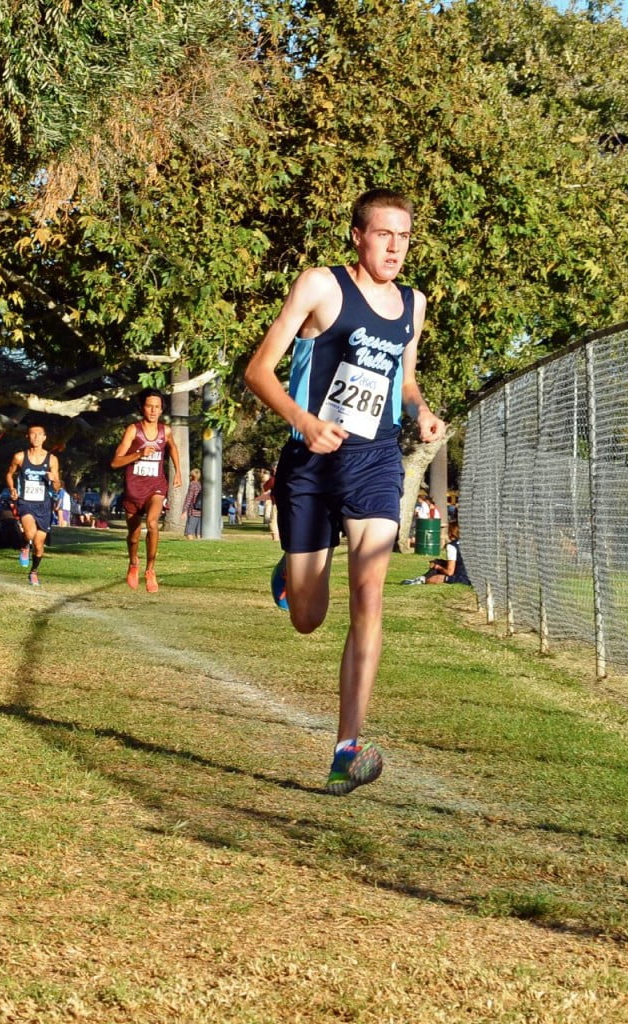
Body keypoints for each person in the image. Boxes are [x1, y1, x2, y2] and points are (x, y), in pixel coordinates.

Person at [244, 187, 444, 795]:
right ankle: (292, 571)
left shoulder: (414, 303)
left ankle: (346, 746)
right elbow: (258, 370)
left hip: (375, 460)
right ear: (358, 235)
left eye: (404, 236)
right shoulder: (320, 286)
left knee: (371, 591)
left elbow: (404, 380)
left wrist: (422, 411)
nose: (395, 247)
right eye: (384, 234)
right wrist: (304, 422)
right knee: (308, 618)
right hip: (310, 462)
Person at [111, 388, 182, 592]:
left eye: (157, 407)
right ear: (142, 407)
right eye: (149, 406)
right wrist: (139, 454)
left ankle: (150, 570)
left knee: (152, 523)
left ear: (162, 409)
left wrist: (178, 472)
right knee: (133, 536)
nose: (153, 410)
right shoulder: (133, 430)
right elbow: (116, 462)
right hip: (134, 490)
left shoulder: (165, 430)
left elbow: (173, 447)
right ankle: (133, 563)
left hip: (156, 487)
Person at [5, 425, 61, 586]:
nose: (36, 437)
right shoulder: (20, 457)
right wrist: (12, 488)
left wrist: (54, 479)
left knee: (39, 545)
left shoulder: (52, 459)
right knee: (29, 533)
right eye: (32, 434)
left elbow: (57, 486)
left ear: (45, 438)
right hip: (26, 501)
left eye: (39, 434)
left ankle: (34, 571)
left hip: (44, 504)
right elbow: (9, 474)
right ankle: (24, 546)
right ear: (27, 437)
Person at [401, 521, 471, 586]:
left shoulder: (452, 546)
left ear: (451, 532)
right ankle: (421, 579)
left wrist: (438, 567)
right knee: (439, 562)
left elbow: (450, 572)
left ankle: (422, 580)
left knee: (434, 576)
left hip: (462, 578)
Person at [182, 468, 202, 539]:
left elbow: (189, 498)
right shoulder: (200, 485)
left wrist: (184, 510)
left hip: (193, 511)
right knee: (199, 532)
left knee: (189, 532)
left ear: (192, 476)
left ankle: (191, 543)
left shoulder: (192, 484)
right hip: (201, 511)